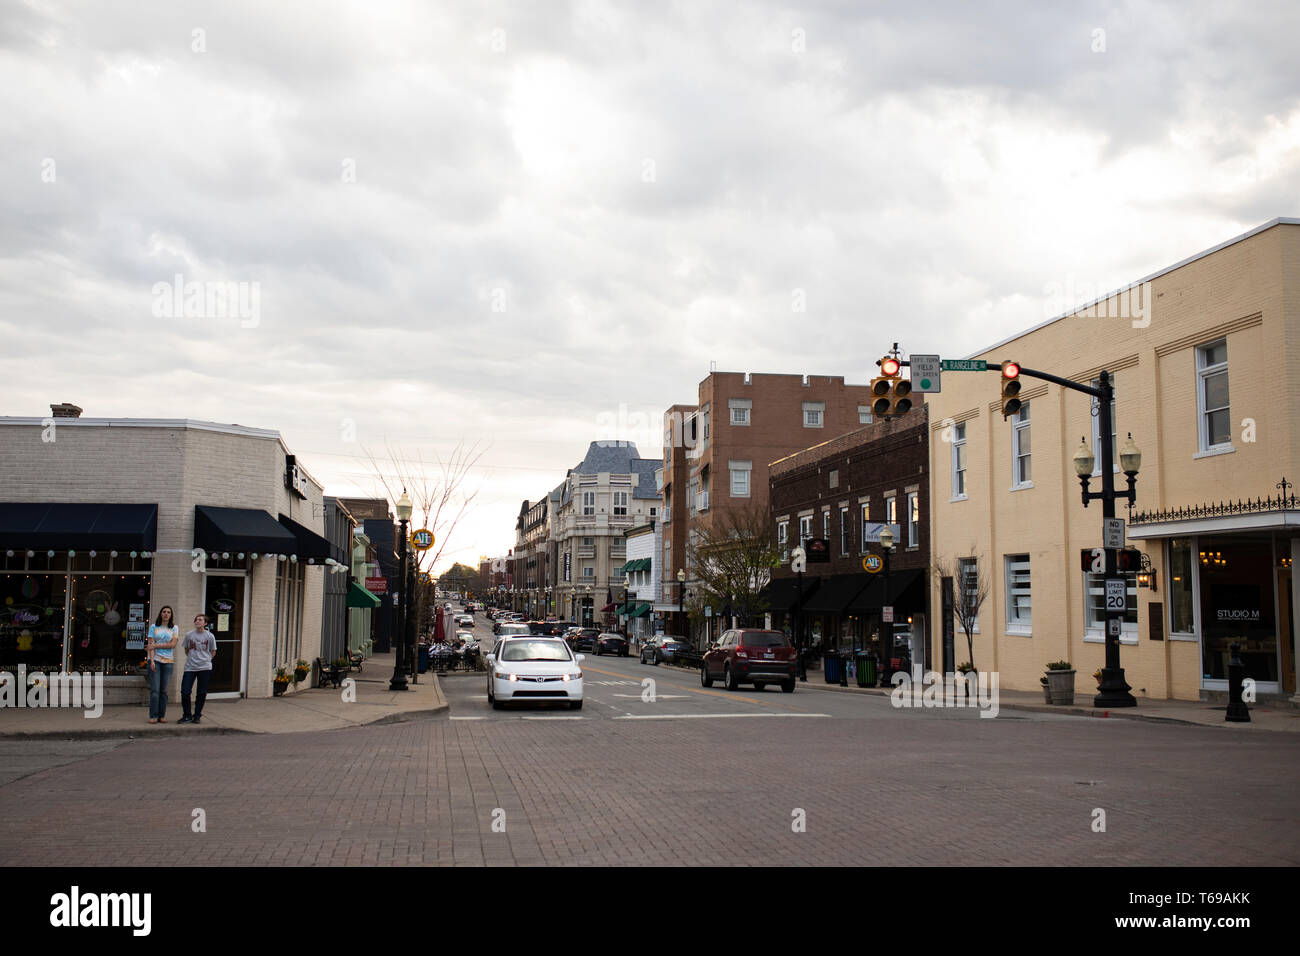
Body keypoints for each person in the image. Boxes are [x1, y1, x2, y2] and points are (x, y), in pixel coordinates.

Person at [177, 614, 217, 725]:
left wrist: (207, 659)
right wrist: (192, 658)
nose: (197, 621)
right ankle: (187, 715)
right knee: (185, 691)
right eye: (196, 620)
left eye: (200, 620)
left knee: (201, 692)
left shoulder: (210, 636)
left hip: (205, 667)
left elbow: (213, 651)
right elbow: (186, 649)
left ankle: (197, 715)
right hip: (190, 667)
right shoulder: (189, 635)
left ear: (205, 623)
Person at [146, 606, 179, 724]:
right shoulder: (153, 627)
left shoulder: (174, 628)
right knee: (155, 690)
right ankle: (153, 715)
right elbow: (150, 646)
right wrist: (152, 661)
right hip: (155, 661)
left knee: (164, 691)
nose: (166, 614)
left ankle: (162, 715)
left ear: (171, 615)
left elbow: (173, 645)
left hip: (168, 662)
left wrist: (156, 645)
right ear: (160, 614)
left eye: (168, 612)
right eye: (164, 612)